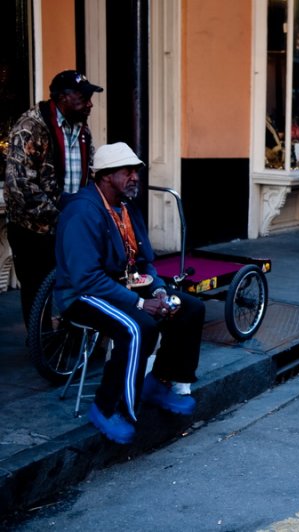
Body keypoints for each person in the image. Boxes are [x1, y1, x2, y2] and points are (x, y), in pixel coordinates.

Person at [54, 143, 204, 444]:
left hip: (122, 284)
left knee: (189, 307)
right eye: (128, 171)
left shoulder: (126, 207)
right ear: (107, 176)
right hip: (81, 294)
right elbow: (86, 278)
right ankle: (108, 407)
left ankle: (160, 382)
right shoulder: (82, 212)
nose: (135, 177)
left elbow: (144, 260)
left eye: (136, 171)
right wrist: (139, 302)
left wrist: (159, 290)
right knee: (137, 327)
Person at [4, 70, 103, 327]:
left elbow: (88, 172)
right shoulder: (30, 127)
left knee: (77, 281)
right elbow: (20, 186)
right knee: (38, 290)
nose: (90, 103)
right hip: (34, 227)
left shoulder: (82, 129)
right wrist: (60, 219)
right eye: (83, 97)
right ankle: (43, 344)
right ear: (62, 97)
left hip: (68, 221)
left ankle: (72, 335)